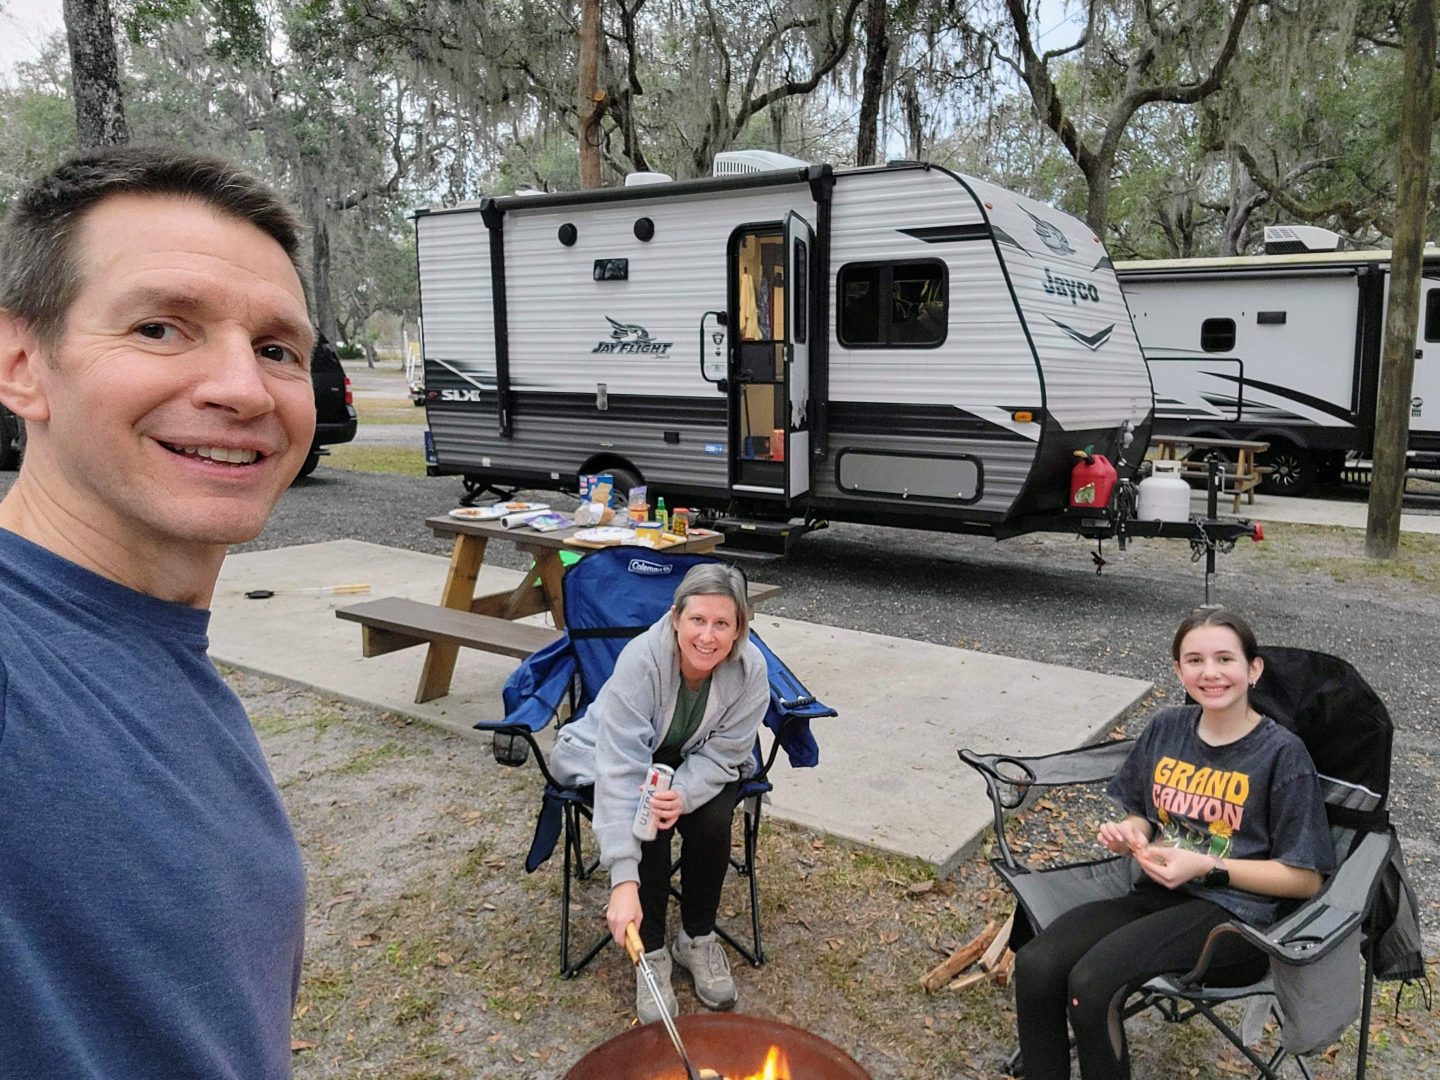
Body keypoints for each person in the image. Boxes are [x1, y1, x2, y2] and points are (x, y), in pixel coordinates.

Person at [0, 146, 317, 1077]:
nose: (243, 389)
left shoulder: (156, 648)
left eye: (276, 349)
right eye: (160, 328)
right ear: (21, 363)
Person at [1013, 608, 1335, 1080]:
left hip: (1235, 923)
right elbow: (1142, 812)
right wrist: (1132, 834)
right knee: (1037, 964)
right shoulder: (1168, 727)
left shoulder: (1281, 754)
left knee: (1091, 985)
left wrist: (1206, 867)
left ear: (1253, 669)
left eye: (1225, 658)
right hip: (1158, 894)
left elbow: (1306, 879)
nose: (1210, 672)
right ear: (1178, 670)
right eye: (1195, 660)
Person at [549, 562, 769, 1023]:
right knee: (644, 821)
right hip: (615, 757)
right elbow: (620, 769)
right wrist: (622, 880)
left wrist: (684, 792)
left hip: (695, 764)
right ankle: (649, 953)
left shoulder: (750, 673)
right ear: (675, 618)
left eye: (722, 624)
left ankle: (696, 938)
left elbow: (728, 752)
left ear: (739, 630)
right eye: (697, 620)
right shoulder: (641, 661)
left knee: (711, 819)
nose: (708, 636)